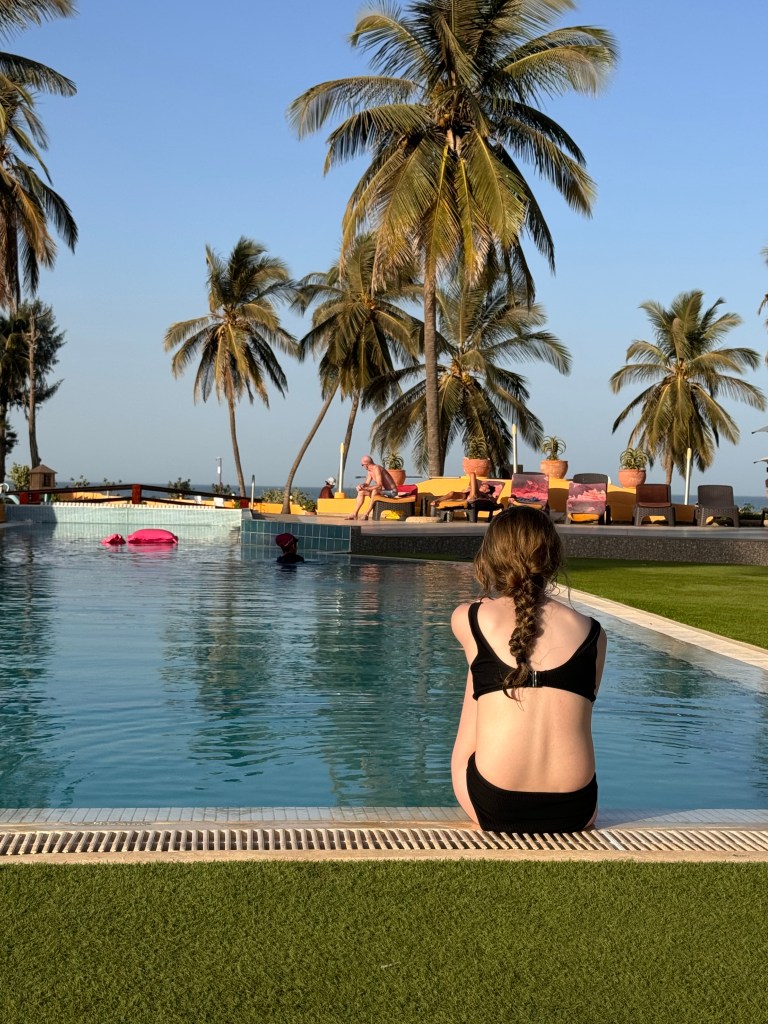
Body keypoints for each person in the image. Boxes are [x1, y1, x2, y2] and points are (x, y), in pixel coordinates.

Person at [450, 505, 606, 834]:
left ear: (490, 558)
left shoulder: (468, 618)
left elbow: (468, 740)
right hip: (576, 808)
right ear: (552, 558)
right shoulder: (594, 633)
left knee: (480, 676)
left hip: (494, 804)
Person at [344, 455, 398, 520]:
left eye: (362, 465)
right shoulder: (370, 471)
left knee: (375, 490)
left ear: (366, 464)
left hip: (392, 492)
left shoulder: (377, 468)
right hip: (382, 492)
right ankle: (354, 514)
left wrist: (367, 488)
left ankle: (366, 514)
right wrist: (361, 486)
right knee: (361, 492)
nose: (363, 466)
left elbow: (379, 485)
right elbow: (367, 483)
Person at [430, 472, 495, 511]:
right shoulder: (475, 489)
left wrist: (489, 497)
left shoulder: (486, 494)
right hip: (466, 495)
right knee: (452, 493)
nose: (482, 486)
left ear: (488, 490)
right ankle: (437, 500)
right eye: (482, 485)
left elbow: (492, 500)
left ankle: (472, 478)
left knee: (472, 474)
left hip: (474, 497)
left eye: (484, 486)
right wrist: (467, 489)